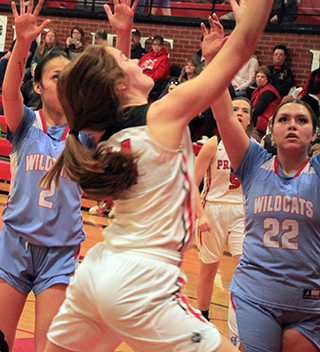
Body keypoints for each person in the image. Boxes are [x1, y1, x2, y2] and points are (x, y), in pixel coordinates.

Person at [41, 0, 273, 351]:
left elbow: (116, 92)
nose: (135, 59)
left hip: (99, 270)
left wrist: (122, 35)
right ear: (119, 84)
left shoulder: (106, 134)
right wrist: (250, 19)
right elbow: (243, 47)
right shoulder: (162, 114)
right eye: (127, 60)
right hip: (142, 281)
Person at [0, 0, 133, 350]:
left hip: (60, 251)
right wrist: (22, 42)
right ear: (39, 85)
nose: (65, 83)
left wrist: (123, 36)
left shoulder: (84, 131)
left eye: (69, 78)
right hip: (15, 243)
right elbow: (8, 91)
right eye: (57, 77)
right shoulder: (26, 123)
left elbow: (121, 92)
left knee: (49, 347)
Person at [210, 77, 320, 352]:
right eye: (283, 119)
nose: (292, 124)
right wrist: (213, 61)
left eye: (302, 120)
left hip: (311, 303)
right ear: (270, 129)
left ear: (315, 133)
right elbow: (223, 115)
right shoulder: (254, 162)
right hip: (255, 297)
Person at [195, 97, 259, 322]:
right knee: (208, 270)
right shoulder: (213, 143)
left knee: (246, 267)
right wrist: (200, 215)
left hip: (242, 214)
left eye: (245, 110)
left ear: (250, 118)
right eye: (235, 109)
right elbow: (192, 183)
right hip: (212, 210)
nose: (240, 113)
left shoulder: (255, 148)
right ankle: (203, 317)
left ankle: (244, 319)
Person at [251, 65, 282, 137]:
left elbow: (258, 110)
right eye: (258, 76)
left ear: (267, 79)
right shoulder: (257, 89)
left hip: (267, 120)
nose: (259, 79)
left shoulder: (268, 92)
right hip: (259, 116)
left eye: (262, 77)